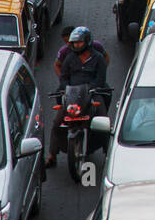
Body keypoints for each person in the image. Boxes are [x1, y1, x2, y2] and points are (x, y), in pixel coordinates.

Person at [45, 27, 110, 168]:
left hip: (92, 93)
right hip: (72, 95)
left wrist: (90, 88)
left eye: (79, 43)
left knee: (104, 122)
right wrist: (65, 88)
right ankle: (52, 155)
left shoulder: (98, 57)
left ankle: (108, 153)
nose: (76, 45)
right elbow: (63, 77)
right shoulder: (69, 58)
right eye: (74, 43)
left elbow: (100, 79)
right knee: (57, 123)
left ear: (87, 42)